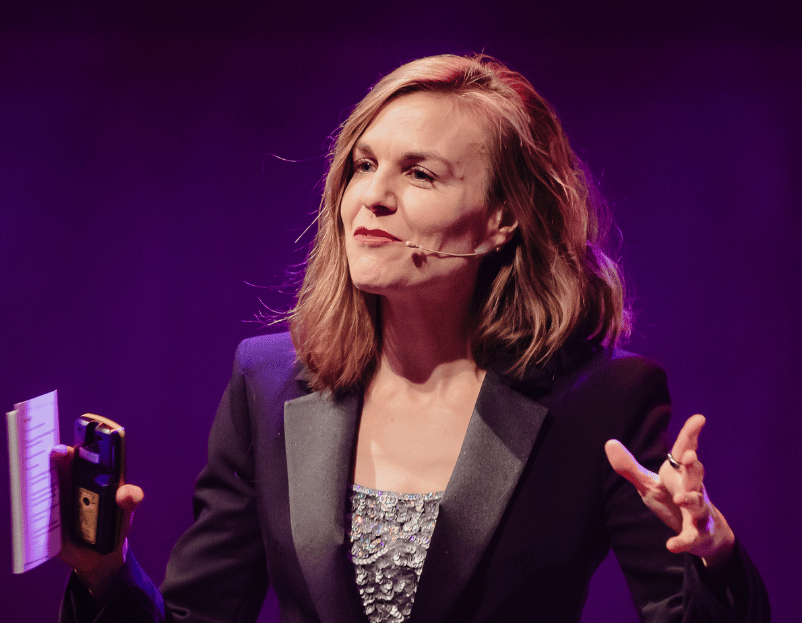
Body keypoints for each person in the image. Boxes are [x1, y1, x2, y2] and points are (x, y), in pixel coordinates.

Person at [54, 53, 769, 622]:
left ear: (502, 219)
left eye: (421, 173)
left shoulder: (602, 399)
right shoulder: (266, 382)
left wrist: (713, 559)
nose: (373, 196)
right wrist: (105, 574)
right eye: (364, 165)